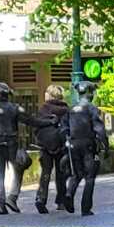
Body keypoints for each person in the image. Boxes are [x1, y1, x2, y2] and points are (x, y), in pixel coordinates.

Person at [0, 82, 55, 215]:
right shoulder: (14, 108)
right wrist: (50, 122)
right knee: (19, 167)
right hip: (11, 145)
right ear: (7, 95)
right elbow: (31, 121)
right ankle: (12, 197)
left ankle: (1, 205)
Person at [62, 81, 109, 216]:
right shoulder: (92, 109)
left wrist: (67, 140)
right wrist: (106, 147)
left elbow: (64, 128)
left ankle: (69, 193)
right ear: (89, 93)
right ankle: (86, 208)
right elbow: (99, 129)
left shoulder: (70, 109)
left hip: (73, 144)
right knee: (90, 177)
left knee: (76, 174)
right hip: (88, 145)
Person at [34, 84, 70, 214]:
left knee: (46, 172)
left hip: (45, 146)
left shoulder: (44, 108)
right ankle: (61, 201)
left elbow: (37, 125)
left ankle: (41, 198)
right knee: (61, 174)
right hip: (61, 145)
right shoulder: (66, 110)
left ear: (50, 95)